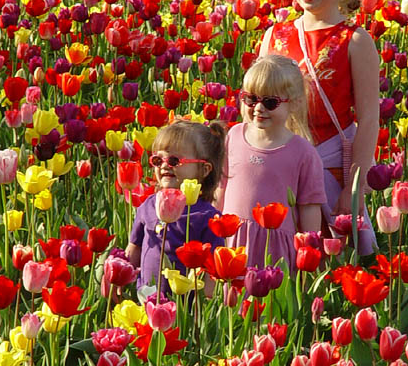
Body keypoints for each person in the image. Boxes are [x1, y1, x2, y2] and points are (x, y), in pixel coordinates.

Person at [259, 0, 379, 254]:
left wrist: (353, 189)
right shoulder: (274, 37)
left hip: (332, 170)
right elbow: (256, 109)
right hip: (280, 166)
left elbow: (369, 121)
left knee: (330, 258)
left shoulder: (354, 42)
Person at [215, 55, 326, 272]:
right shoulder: (234, 136)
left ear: (293, 104)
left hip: (275, 247)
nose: (258, 108)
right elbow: (221, 186)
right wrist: (213, 225)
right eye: (250, 99)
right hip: (233, 240)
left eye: (270, 102)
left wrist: (308, 250)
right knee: (231, 300)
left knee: (271, 298)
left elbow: (310, 208)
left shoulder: (303, 153)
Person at [126, 119, 225, 293]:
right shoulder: (149, 205)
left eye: (174, 160)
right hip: (147, 296)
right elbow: (135, 247)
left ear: (204, 169)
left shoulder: (207, 217)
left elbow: (212, 269)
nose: (165, 165)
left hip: (186, 303)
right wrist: (121, 276)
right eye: (158, 160)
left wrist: (206, 304)